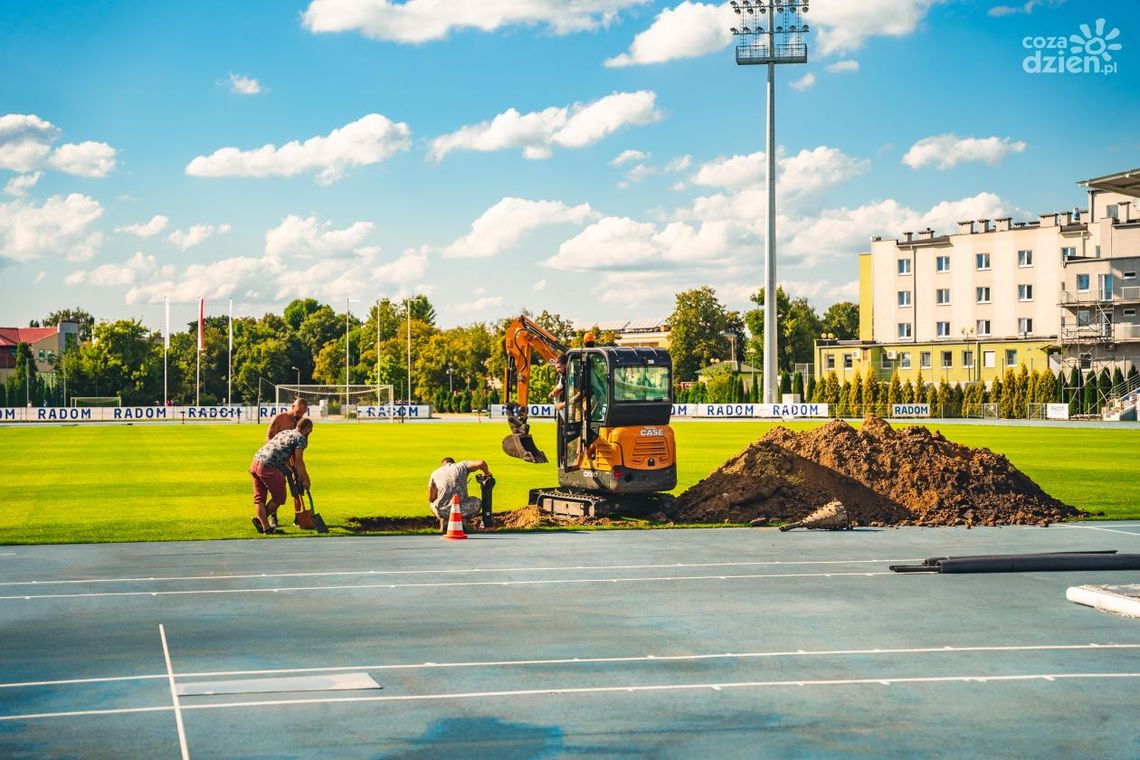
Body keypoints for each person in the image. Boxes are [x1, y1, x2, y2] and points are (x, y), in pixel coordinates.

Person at [249, 418, 313, 534]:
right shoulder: (300, 439)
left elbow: (278, 450)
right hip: (268, 466)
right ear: (307, 429)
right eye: (310, 430)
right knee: (279, 497)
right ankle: (261, 521)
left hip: (255, 461)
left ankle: (266, 528)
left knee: (259, 498)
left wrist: (294, 472)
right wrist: (306, 480)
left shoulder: (285, 432)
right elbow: (299, 461)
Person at [427, 457, 492, 531]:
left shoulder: (435, 472)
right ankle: (464, 519)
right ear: (453, 463)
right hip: (462, 509)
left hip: (442, 511)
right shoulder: (462, 465)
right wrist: (487, 473)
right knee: (477, 502)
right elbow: (481, 463)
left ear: (442, 465)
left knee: (432, 505)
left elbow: (431, 498)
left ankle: (445, 519)